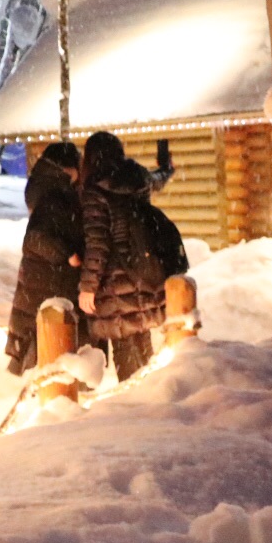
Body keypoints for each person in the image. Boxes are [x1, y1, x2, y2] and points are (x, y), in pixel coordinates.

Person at [78, 133, 173, 381]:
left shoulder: (95, 190)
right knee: (142, 347)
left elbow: (97, 244)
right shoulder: (138, 178)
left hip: (116, 279)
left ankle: (135, 413)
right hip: (142, 270)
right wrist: (167, 167)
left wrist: (88, 286)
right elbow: (158, 179)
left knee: (126, 357)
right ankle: (152, 403)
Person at [4, 141, 85, 375]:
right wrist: (68, 254)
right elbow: (36, 238)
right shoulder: (55, 194)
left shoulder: (48, 190)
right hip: (48, 279)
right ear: (66, 168)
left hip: (43, 278)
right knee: (43, 340)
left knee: (39, 334)